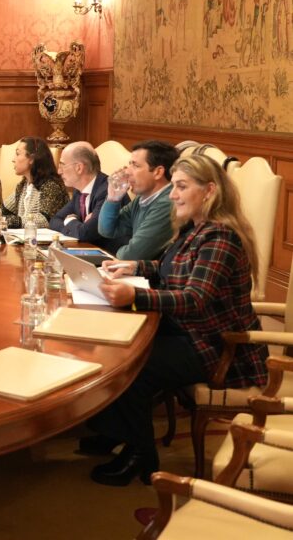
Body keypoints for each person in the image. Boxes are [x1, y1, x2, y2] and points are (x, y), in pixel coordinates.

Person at [87, 155, 267, 486]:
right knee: (113, 343)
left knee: (129, 365)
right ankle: (115, 432)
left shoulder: (220, 236)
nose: (172, 195)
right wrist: (137, 267)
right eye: (174, 186)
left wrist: (135, 296)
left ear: (209, 190)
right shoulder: (196, 228)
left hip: (217, 348)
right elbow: (173, 267)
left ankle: (141, 457)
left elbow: (195, 299)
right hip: (190, 332)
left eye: (182, 187)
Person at [97, 140, 178, 260]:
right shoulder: (142, 198)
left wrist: (119, 253)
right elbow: (107, 230)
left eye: (135, 166)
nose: (127, 171)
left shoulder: (167, 203)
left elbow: (132, 255)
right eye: (129, 164)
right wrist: (113, 198)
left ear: (158, 172)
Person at [48, 141, 128, 252]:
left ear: (79, 168)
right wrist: (77, 225)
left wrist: (70, 221)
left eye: (62, 165)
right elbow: (54, 220)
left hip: (113, 256)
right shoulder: (79, 191)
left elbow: (86, 233)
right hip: (88, 252)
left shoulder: (108, 191)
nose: (59, 171)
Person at [0, 137, 68, 228]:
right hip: (25, 235)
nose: (13, 159)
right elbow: (3, 210)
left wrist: (5, 220)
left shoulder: (51, 186)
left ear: (31, 159)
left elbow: (44, 220)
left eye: (18, 154)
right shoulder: (23, 185)